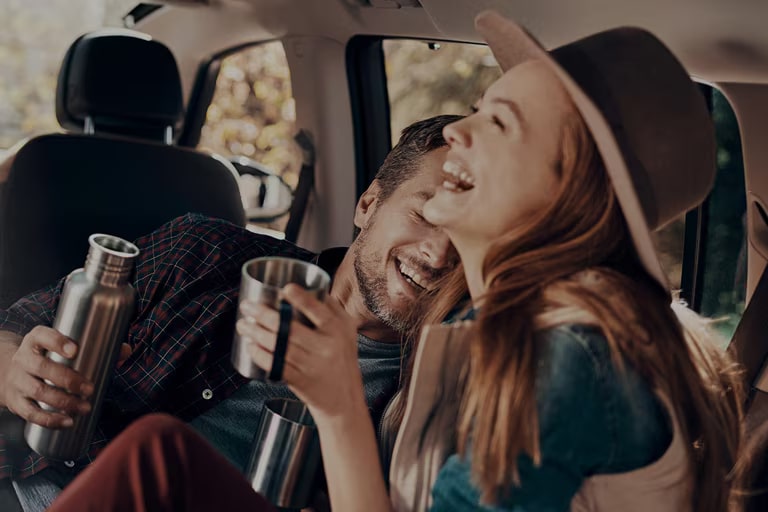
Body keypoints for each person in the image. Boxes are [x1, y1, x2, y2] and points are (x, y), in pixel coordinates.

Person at [46, 10, 745, 512]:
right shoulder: (529, 327)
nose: (460, 132)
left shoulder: (567, 358)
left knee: (153, 459)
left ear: (569, 187)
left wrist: (339, 404)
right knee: (158, 456)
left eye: (499, 123)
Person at [0, 115, 466, 510]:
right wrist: (14, 372)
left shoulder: (433, 395)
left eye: (466, 239)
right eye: (424, 215)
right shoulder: (203, 251)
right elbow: (16, 324)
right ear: (368, 204)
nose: (440, 254)